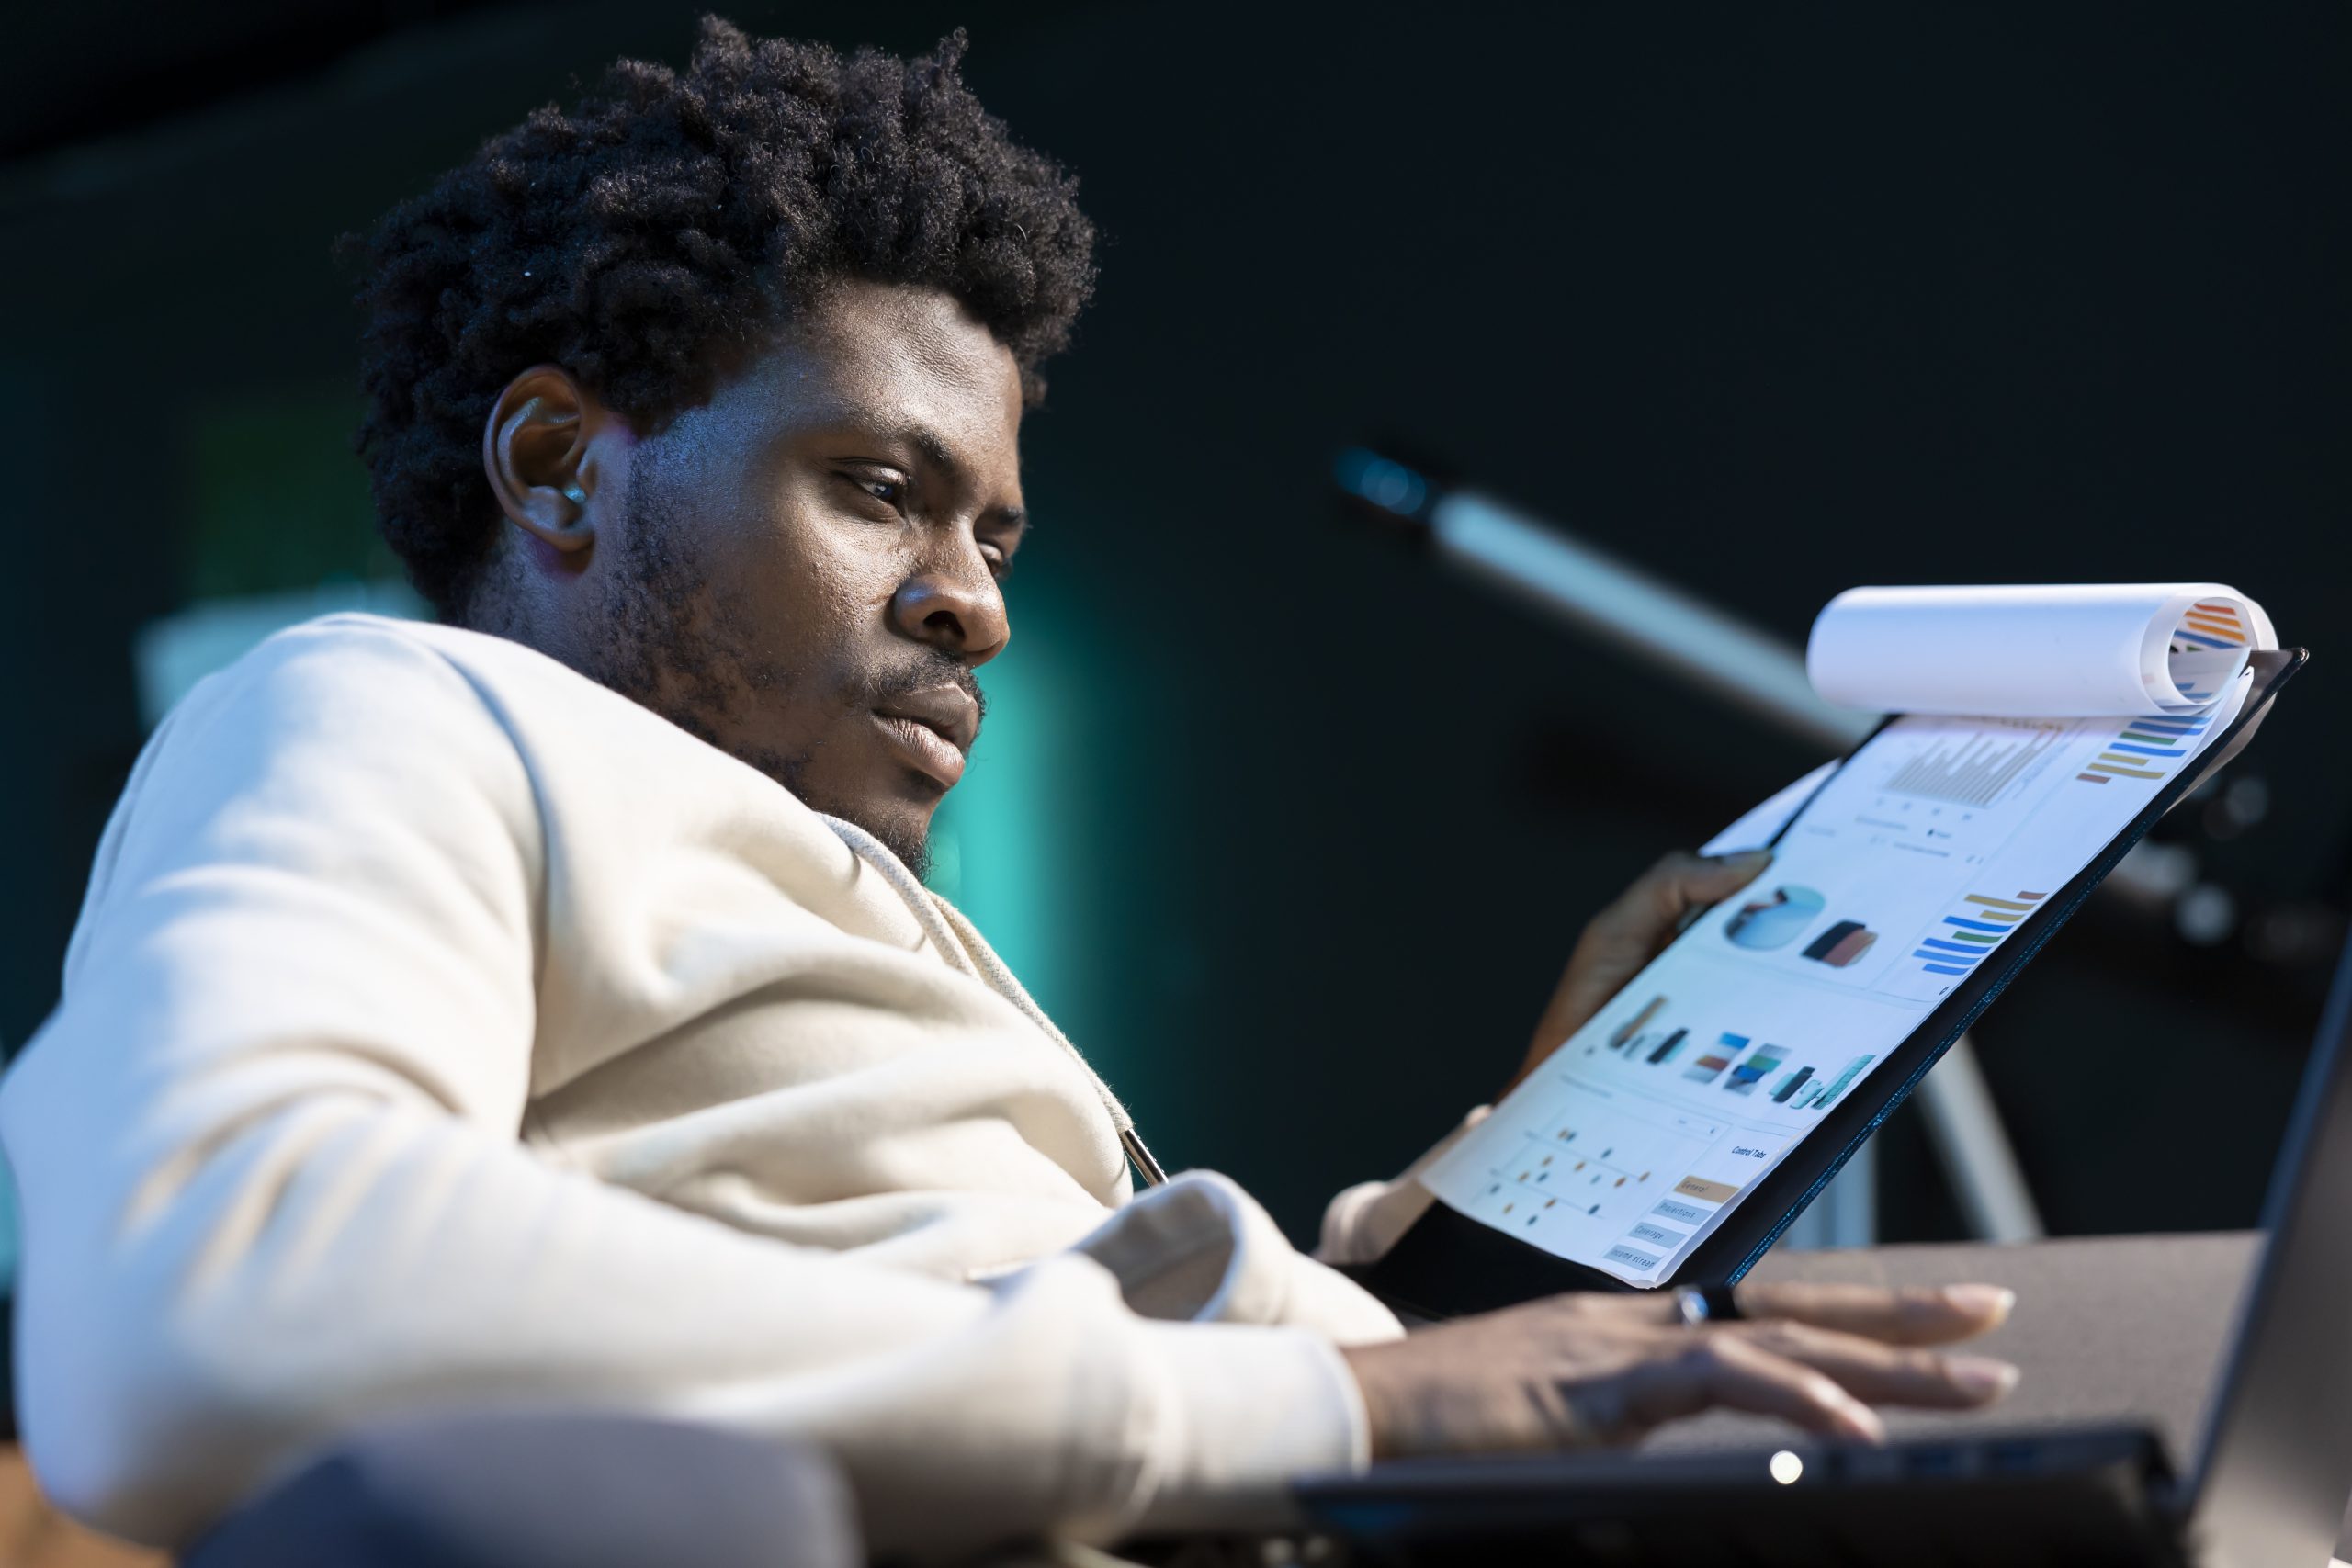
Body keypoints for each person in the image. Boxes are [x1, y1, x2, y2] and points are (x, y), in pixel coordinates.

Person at [0, 20, 2020, 1559]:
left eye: (996, 533)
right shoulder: (386, 710)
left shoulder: (830, 901)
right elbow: (206, 1292)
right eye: (879, 488)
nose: (970, 600)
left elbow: (1175, 1363)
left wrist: (1546, 1140)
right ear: (556, 469)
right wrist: (1336, 1413)